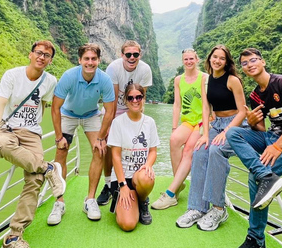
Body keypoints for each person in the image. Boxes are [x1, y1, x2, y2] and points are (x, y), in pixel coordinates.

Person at [0, 41, 66, 248]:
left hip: (31, 133)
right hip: (6, 129)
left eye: (46, 55)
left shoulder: (50, 81)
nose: (42, 57)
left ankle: (14, 235)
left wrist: (33, 130)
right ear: (30, 54)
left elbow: (42, 107)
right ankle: (49, 168)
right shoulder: (12, 75)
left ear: (50, 60)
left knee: (35, 179)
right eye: (38, 53)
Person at [226, 48, 282, 248]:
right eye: (245, 63)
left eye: (253, 60)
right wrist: (252, 121)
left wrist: (277, 146)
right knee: (233, 132)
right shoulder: (255, 95)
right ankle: (265, 175)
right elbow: (261, 129)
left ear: (263, 62)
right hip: (270, 137)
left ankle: (255, 239)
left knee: (253, 177)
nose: (250, 65)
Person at [176, 45, 247, 231]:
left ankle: (218, 208)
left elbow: (243, 112)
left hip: (235, 125)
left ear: (227, 62)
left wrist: (226, 132)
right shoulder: (206, 81)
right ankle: (197, 208)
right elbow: (207, 108)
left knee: (216, 150)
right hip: (216, 124)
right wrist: (205, 134)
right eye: (215, 57)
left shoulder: (233, 80)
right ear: (209, 59)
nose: (217, 61)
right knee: (200, 150)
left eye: (222, 58)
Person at [49, 43, 116, 225]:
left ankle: (90, 200)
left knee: (99, 151)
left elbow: (109, 111)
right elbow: (55, 108)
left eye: (94, 59)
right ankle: (59, 202)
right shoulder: (69, 76)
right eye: (86, 59)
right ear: (80, 60)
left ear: (98, 61)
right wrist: (58, 137)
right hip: (67, 114)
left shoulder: (104, 79)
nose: (90, 62)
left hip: (91, 115)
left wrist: (101, 138)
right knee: (61, 153)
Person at [97, 40, 154, 206]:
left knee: (137, 145)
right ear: (122, 55)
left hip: (134, 107)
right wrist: (109, 127)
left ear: (139, 55)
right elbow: (112, 101)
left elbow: (140, 99)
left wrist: (138, 122)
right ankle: (108, 184)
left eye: (135, 54)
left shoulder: (145, 69)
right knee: (109, 146)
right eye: (128, 54)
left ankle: (137, 182)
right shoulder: (114, 68)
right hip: (115, 109)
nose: (131, 57)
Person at [151, 48, 205, 210]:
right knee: (174, 140)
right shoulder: (178, 80)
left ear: (197, 60)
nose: (188, 62)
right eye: (185, 59)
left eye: (191, 59)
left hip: (202, 121)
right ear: (183, 61)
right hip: (187, 120)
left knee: (189, 149)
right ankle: (179, 182)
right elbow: (176, 105)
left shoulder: (204, 78)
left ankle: (171, 193)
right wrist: (174, 127)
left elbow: (209, 103)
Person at [107, 83, 159, 231]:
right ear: (126, 100)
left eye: (138, 97)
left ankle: (142, 201)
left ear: (143, 98)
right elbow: (115, 157)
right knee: (128, 224)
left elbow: (153, 151)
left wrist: (148, 164)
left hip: (139, 176)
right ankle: (128, 199)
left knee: (146, 177)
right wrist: (123, 186)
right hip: (121, 177)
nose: (135, 100)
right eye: (131, 98)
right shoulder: (118, 123)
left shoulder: (150, 122)